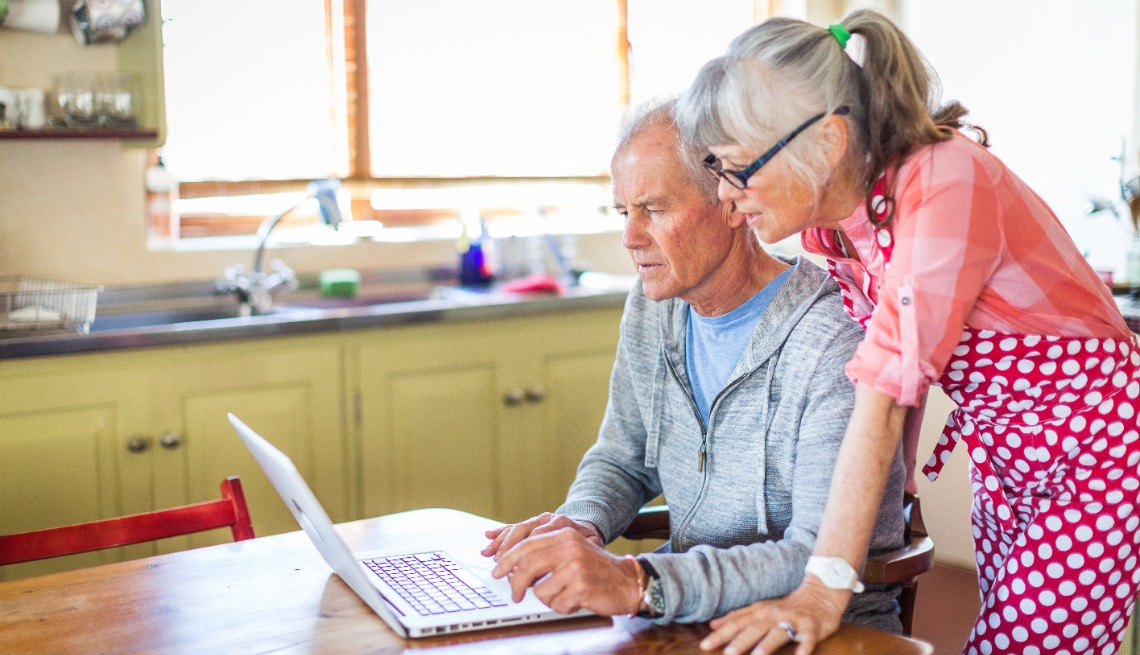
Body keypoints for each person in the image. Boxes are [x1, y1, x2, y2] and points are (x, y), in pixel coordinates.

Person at [676, 9, 1140, 655]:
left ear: (828, 141)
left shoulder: (945, 178)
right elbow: (898, 367)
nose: (728, 195)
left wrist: (823, 584)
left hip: (1103, 447)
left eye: (735, 167)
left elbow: (887, 391)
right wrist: (902, 491)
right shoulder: (835, 228)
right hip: (1007, 456)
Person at [481, 99, 906, 632]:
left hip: (818, 632)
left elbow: (818, 556)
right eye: (623, 212)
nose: (630, 237)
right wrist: (581, 522)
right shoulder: (654, 305)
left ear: (732, 203)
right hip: (687, 618)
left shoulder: (833, 338)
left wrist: (638, 581)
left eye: (653, 209)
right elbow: (622, 456)